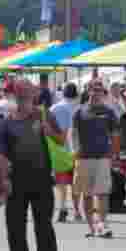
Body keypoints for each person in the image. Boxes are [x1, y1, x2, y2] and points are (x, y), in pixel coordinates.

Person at [0, 80, 65, 251]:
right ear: (15, 96)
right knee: (15, 224)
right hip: (16, 179)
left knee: (44, 224)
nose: (26, 99)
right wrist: (4, 179)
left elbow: (61, 139)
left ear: (33, 96)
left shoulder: (44, 115)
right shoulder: (8, 121)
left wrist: (48, 131)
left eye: (29, 95)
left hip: (42, 177)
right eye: (22, 95)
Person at [73, 79, 120, 238]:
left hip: (102, 157)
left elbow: (115, 135)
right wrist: (75, 150)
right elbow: (73, 133)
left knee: (102, 193)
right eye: (93, 89)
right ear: (88, 91)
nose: (96, 92)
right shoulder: (80, 111)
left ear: (103, 92)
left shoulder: (109, 112)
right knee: (86, 194)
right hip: (84, 158)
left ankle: (102, 224)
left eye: (99, 90)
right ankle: (91, 227)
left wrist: (113, 155)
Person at [50, 82, 81, 223]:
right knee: (75, 181)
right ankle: (76, 210)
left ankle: (62, 206)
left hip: (58, 150)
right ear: (76, 95)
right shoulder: (79, 109)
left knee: (61, 182)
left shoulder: (54, 108)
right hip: (76, 149)